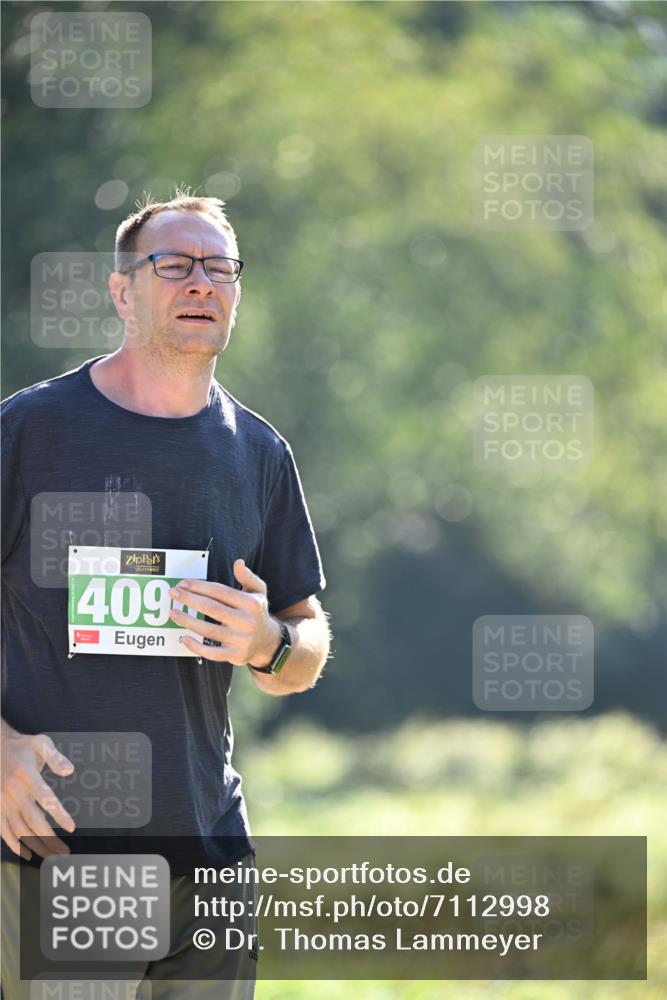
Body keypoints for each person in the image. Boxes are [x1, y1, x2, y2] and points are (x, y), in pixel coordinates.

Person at [1, 191, 331, 999]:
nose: (200, 284)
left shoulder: (257, 452)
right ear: (122, 291)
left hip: (210, 856)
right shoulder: (27, 434)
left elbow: (305, 633)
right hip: (61, 856)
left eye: (219, 269)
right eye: (174, 265)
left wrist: (269, 644)